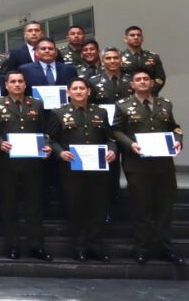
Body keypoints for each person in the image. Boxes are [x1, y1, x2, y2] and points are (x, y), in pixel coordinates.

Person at [113, 70, 184, 265]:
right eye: (138, 79)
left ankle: (165, 247)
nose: (143, 82)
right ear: (132, 85)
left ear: (151, 83)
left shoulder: (165, 104)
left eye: (146, 79)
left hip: (163, 165)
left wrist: (178, 140)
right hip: (138, 165)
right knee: (141, 208)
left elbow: (174, 127)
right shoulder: (123, 105)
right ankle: (142, 247)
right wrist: (130, 144)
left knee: (165, 208)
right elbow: (116, 130)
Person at [47, 78, 118, 262]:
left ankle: (95, 246)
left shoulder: (100, 112)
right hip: (72, 170)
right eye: (75, 89)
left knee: (97, 208)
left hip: (97, 169)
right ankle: (80, 246)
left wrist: (112, 150)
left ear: (89, 91)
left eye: (82, 88)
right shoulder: (59, 113)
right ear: (68, 92)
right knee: (76, 208)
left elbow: (110, 138)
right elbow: (51, 139)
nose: (79, 91)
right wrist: (60, 153)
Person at [0, 71, 53, 262]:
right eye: (13, 82)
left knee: (35, 207)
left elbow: (45, 132)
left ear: (25, 85)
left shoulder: (36, 104)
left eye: (20, 81)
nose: (17, 85)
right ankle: (12, 245)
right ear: (6, 85)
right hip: (7, 163)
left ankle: (36, 245)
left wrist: (47, 145)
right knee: (9, 207)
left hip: (33, 164)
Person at [121, 26, 166, 96]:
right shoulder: (119, 57)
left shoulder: (153, 57)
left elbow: (160, 78)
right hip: (125, 96)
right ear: (125, 39)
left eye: (139, 35)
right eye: (132, 35)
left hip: (149, 95)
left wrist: (148, 92)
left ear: (142, 38)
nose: (136, 37)